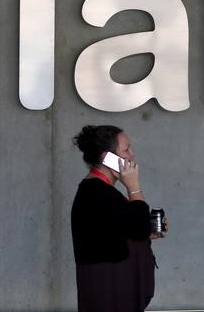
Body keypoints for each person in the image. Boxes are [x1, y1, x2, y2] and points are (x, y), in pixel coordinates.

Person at [71, 125, 165, 312]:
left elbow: (121, 228)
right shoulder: (97, 192)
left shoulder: (98, 190)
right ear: (107, 158)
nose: (132, 154)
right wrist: (134, 187)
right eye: (126, 149)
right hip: (109, 290)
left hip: (109, 287)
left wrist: (148, 231)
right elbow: (138, 227)